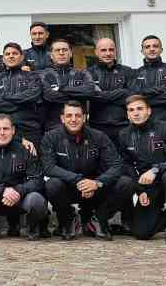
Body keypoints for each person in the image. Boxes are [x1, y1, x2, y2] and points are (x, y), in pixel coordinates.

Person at [41, 101, 131, 241]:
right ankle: (69, 219)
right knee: (52, 184)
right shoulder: (50, 137)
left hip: (95, 188)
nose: (73, 119)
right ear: (62, 118)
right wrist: (78, 180)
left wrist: (98, 182)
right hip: (68, 187)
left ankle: (98, 220)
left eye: (78, 115)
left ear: (84, 118)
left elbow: (117, 165)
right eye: (69, 115)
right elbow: (48, 167)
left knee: (126, 182)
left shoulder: (99, 136)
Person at [118, 95, 166, 245]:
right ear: (127, 114)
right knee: (141, 233)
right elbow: (126, 165)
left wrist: (155, 170)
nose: (136, 113)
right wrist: (140, 190)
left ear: (149, 111)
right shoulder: (124, 134)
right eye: (131, 110)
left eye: (140, 108)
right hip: (150, 185)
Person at [0, 114, 48, 241]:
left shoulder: (26, 149)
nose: (2, 133)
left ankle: (32, 227)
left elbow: (37, 180)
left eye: (5, 129)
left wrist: (18, 190)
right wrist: (2, 190)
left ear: (13, 130)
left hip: (20, 199)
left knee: (36, 200)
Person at [0, 42, 43, 145]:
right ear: (3, 58)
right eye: (7, 54)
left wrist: (5, 97)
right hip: (2, 131)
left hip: (29, 130)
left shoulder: (33, 76)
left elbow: (33, 96)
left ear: (22, 57)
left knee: (32, 160)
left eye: (15, 53)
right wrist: (21, 103)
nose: (11, 56)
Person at [39, 39, 96, 132]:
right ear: (51, 55)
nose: (61, 53)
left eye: (65, 50)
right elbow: (49, 95)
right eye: (57, 50)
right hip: (53, 127)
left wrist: (60, 89)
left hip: (80, 127)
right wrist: (77, 94)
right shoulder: (43, 75)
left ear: (70, 53)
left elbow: (89, 91)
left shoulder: (82, 73)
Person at [131, 35, 166, 128]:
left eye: (155, 46)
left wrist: (145, 98)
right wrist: (164, 89)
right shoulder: (136, 73)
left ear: (161, 49)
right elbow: (135, 97)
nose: (151, 49)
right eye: (147, 47)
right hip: (145, 125)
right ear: (142, 51)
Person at [86, 38, 134, 143]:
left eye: (111, 50)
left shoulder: (127, 71)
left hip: (124, 126)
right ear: (96, 52)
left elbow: (131, 97)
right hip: (97, 127)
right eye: (103, 50)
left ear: (115, 51)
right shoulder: (88, 73)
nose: (108, 53)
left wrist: (101, 95)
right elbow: (91, 96)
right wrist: (122, 92)